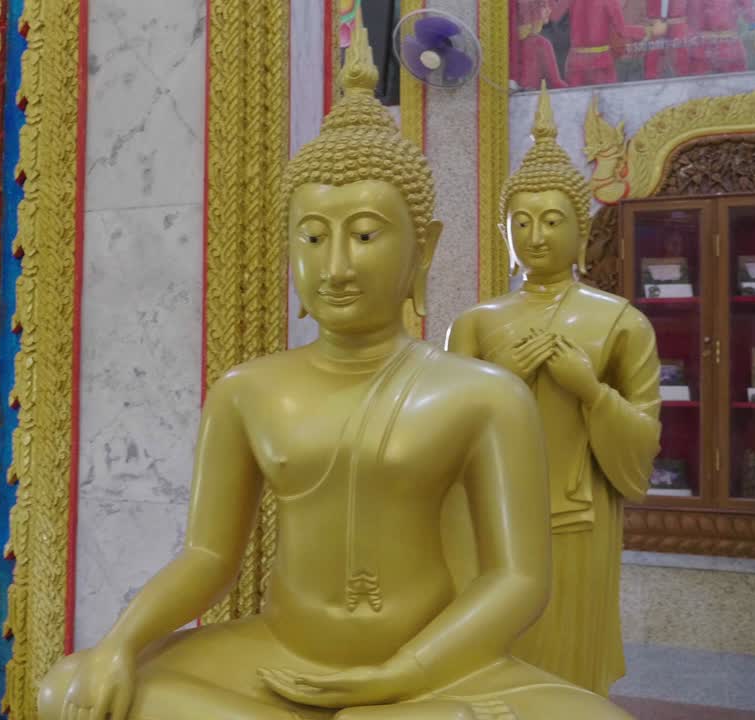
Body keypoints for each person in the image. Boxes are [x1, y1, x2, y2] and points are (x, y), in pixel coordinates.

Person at [37, 23, 633, 720]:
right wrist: (117, 642)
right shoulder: (247, 391)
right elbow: (206, 556)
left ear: (425, 248)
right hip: (280, 652)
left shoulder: (483, 395)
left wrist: (397, 675)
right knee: (67, 693)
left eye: (367, 234)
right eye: (313, 237)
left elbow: (519, 581)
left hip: (432, 666)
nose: (337, 266)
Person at [447, 88, 661, 696]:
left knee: (568, 666)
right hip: (490, 515)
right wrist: (498, 380)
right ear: (502, 231)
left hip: (578, 520)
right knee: (492, 661)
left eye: (551, 221)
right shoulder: (476, 323)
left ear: (581, 226)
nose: (536, 236)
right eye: (521, 222)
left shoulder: (620, 321)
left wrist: (590, 391)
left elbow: (644, 440)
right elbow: (439, 435)